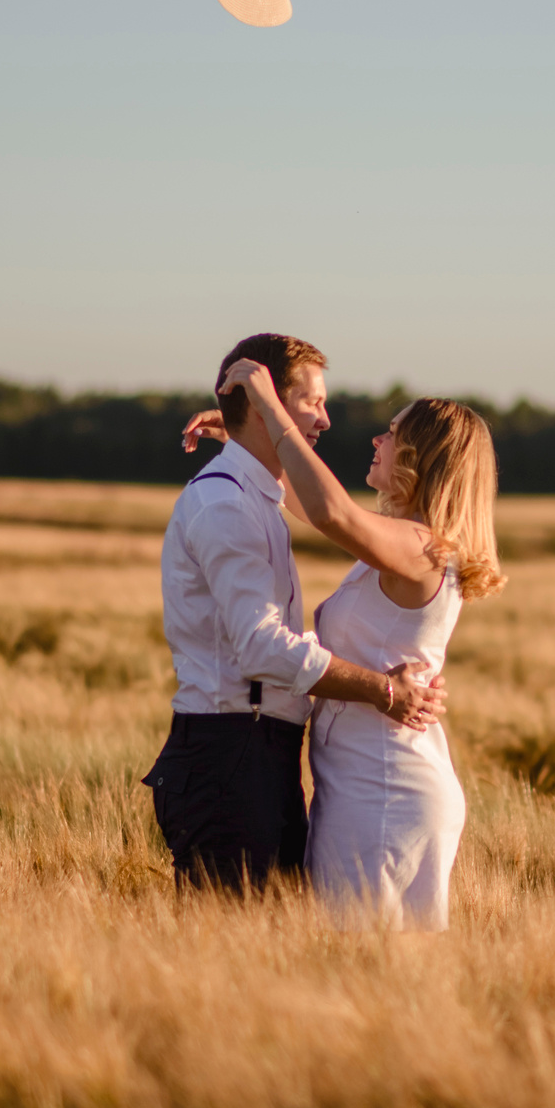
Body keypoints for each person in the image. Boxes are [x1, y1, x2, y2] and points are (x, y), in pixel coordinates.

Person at [187, 361, 505, 931]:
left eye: (394, 433)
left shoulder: (422, 549)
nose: (378, 440)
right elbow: (309, 502)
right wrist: (244, 441)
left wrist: (270, 408)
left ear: (421, 458)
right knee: (368, 965)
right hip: (370, 785)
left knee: (360, 962)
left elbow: (331, 512)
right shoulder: (407, 546)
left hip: (383, 793)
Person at [147, 333, 446, 894]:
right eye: (312, 402)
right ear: (267, 405)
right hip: (231, 754)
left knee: (268, 942)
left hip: (260, 755)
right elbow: (262, 647)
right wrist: (383, 689)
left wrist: (248, 433)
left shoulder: (255, 496)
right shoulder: (227, 503)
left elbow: (323, 507)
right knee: (229, 942)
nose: (325, 420)